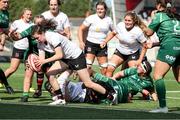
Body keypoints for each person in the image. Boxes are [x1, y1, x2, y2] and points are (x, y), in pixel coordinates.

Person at [31, 24, 116, 105]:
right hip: (66, 59)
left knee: (88, 83)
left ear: (42, 33)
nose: (37, 40)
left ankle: (110, 95)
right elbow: (41, 60)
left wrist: (43, 61)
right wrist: (36, 64)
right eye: (35, 39)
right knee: (50, 75)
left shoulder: (52, 36)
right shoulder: (40, 44)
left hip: (76, 57)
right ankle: (60, 99)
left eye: (37, 37)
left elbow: (59, 55)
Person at [44, 60, 157, 104]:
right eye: (51, 88)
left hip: (89, 87)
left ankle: (112, 94)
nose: (139, 67)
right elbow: (63, 81)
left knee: (94, 81)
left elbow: (151, 92)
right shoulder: (60, 94)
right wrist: (71, 66)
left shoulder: (148, 82)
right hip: (87, 93)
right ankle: (110, 95)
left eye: (143, 67)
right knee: (94, 84)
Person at [144, 0, 180, 113]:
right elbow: (173, 35)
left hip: (169, 47)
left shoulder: (159, 15)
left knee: (158, 76)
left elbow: (148, 32)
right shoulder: (177, 16)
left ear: (159, 6)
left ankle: (163, 107)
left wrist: (141, 23)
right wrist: (154, 44)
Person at [104, 11, 148, 77]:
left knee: (132, 74)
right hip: (120, 51)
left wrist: (140, 60)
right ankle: (108, 87)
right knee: (109, 69)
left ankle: (126, 86)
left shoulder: (138, 31)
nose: (127, 22)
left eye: (129, 20)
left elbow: (145, 46)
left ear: (134, 21)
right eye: (126, 20)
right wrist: (105, 41)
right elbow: (113, 33)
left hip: (132, 53)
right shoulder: (120, 25)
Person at [78, 1, 114, 75]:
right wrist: (81, 42)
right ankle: (83, 85)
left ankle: (102, 85)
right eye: (98, 9)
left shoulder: (109, 20)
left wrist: (105, 41)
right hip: (90, 44)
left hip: (102, 46)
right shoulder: (91, 18)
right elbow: (80, 29)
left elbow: (114, 32)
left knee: (104, 69)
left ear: (105, 10)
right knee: (87, 67)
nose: (99, 10)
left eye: (101, 9)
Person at [4, 8, 33, 81]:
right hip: (18, 48)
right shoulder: (17, 22)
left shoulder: (33, 25)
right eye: (27, 14)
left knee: (29, 70)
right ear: (23, 15)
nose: (29, 16)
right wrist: (13, 34)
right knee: (13, 68)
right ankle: (1, 80)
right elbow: (10, 33)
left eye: (30, 14)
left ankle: (29, 87)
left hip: (29, 50)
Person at [0, 0, 14, 94]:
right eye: (4, 2)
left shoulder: (6, 13)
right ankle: (6, 84)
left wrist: (12, 35)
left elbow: (4, 30)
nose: (6, 4)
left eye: (7, 2)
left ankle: (6, 84)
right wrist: (2, 43)